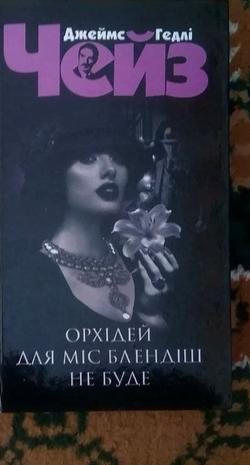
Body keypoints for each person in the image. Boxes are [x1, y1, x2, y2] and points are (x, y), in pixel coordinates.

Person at [19, 126, 179, 329]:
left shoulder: (136, 264)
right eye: (88, 158)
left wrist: (151, 315)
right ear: (58, 175)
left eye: (117, 159)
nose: (110, 169)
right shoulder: (29, 279)